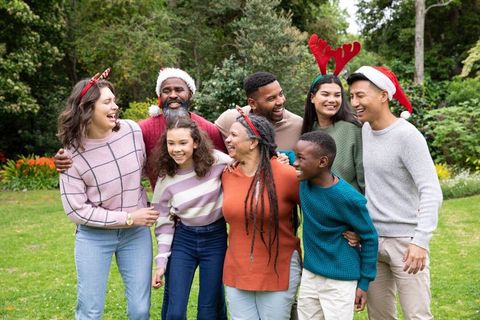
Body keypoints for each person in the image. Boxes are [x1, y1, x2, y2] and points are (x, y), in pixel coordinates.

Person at [57, 69, 160, 319]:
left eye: (114, 100)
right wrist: (127, 218)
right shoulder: (70, 155)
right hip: (94, 237)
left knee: (140, 309)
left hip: (135, 236)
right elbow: (76, 210)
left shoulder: (132, 131)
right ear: (87, 108)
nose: (115, 106)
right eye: (107, 102)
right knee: (90, 310)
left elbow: (151, 167)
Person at [347, 66, 443, 320]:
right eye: (352, 97)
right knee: (379, 317)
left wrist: (420, 241)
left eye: (360, 96)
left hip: (406, 243)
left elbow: (431, 190)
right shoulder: (365, 131)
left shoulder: (407, 136)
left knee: (417, 316)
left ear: (383, 96)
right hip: (372, 241)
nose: (354, 103)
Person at [54, 67, 227, 187]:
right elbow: (103, 140)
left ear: (189, 94)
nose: (173, 95)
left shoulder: (208, 129)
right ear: (160, 96)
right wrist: (69, 155)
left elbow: (229, 166)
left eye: (179, 90)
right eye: (166, 91)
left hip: (205, 214)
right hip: (166, 211)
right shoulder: (141, 130)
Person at [221, 109, 302, 320]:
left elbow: (318, 207)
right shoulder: (227, 174)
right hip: (237, 268)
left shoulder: (285, 174)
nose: (227, 140)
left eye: (234, 135)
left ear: (253, 142)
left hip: (277, 267)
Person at [149, 116, 230, 320]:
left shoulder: (218, 161)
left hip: (215, 239)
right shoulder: (165, 178)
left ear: (195, 142)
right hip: (184, 240)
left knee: (207, 311)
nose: (176, 149)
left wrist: (280, 159)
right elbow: (164, 223)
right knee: (175, 311)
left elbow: (247, 164)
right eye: (171, 143)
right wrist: (160, 263)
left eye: (183, 142)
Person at [293, 131, 378, 319]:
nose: (295, 163)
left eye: (300, 158)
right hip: (310, 273)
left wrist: (364, 283)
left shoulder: (348, 199)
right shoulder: (305, 180)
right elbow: (285, 153)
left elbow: (370, 238)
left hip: (340, 279)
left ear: (322, 162)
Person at [302, 34, 364, 193]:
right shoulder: (308, 131)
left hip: (348, 210)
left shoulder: (353, 130)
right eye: (325, 94)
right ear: (312, 98)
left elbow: (363, 178)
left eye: (337, 95)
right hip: (317, 212)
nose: (332, 100)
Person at [215, 71, 303, 156]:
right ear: (252, 103)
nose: (280, 101)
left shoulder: (298, 125)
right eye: (271, 98)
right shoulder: (230, 119)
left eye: (281, 94)